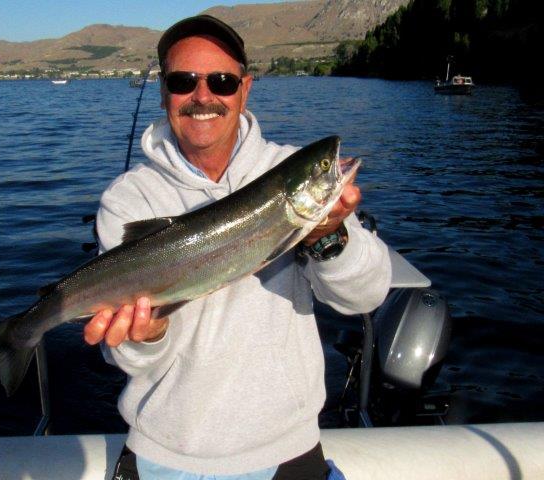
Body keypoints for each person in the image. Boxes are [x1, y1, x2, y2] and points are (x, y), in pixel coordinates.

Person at [84, 15, 391, 480]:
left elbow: (366, 296)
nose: (203, 96)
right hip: (164, 454)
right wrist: (145, 337)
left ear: (244, 90)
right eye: (183, 81)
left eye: (222, 82)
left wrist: (327, 235)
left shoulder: (289, 169)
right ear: (164, 92)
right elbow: (130, 359)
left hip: (287, 447)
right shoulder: (127, 199)